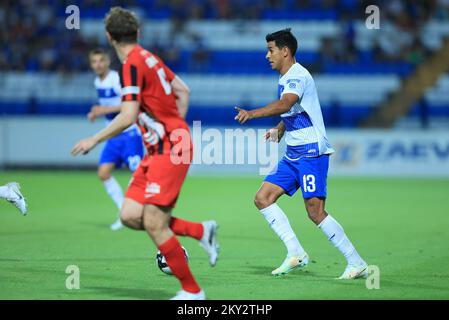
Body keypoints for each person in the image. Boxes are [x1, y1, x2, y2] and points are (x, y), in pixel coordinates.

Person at [71, 7, 218, 300]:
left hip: (170, 148)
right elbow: (183, 91)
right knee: (128, 214)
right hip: (160, 148)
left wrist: (94, 139)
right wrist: (175, 123)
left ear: (109, 36)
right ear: (137, 33)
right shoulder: (149, 57)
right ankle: (201, 231)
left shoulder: (131, 65)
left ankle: (193, 291)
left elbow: (127, 116)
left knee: (153, 222)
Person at [234, 28, 368, 279]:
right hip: (294, 153)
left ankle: (356, 262)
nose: (267, 55)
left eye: (271, 50)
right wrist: (280, 128)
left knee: (315, 212)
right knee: (263, 198)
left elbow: (285, 104)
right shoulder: (287, 77)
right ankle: (296, 253)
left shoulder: (297, 75)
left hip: (311, 153)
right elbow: (294, 109)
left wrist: (251, 114)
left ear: (285, 51)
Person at [88, 48, 144, 231]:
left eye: (101, 60)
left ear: (107, 62)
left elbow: (130, 104)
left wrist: (103, 110)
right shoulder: (98, 81)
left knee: (139, 175)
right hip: (113, 134)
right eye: (94, 61)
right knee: (103, 172)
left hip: (129, 133)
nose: (98, 65)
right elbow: (107, 106)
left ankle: (146, 212)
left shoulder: (115, 79)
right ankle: (123, 212)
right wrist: (96, 113)